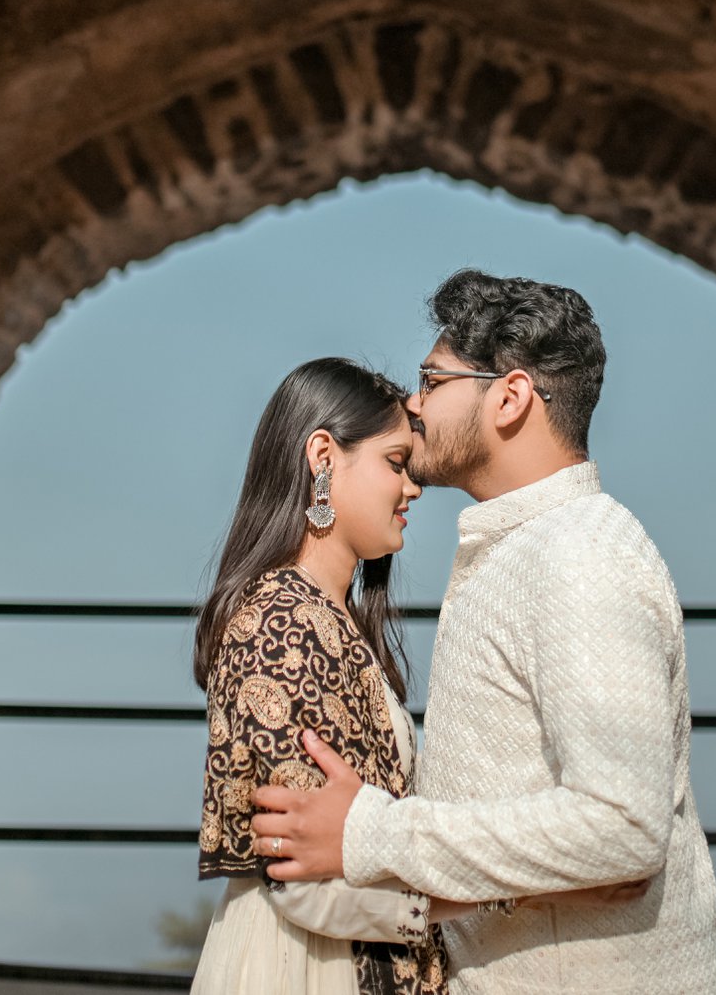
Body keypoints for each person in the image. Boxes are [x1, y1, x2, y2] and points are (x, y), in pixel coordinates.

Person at [251, 273, 716, 995]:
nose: (413, 403)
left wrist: (371, 829)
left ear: (508, 397)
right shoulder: (520, 551)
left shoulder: (579, 554)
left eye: (432, 379)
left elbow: (622, 827)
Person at [191, 357, 641, 995]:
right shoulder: (277, 623)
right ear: (323, 455)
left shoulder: (335, 624)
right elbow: (299, 878)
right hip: (305, 970)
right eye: (395, 463)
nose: (413, 489)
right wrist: (512, 891)